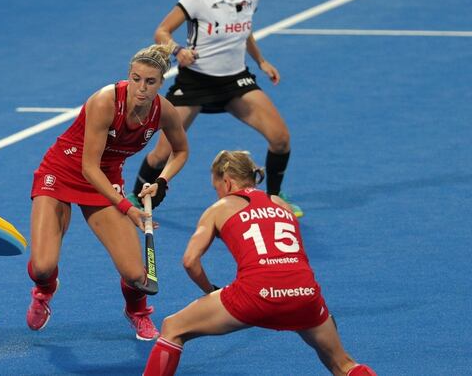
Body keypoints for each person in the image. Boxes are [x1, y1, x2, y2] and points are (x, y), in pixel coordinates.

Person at [142, 150, 376, 376]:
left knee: (173, 327)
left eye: (217, 188)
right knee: (343, 364)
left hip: (254, 295)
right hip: (305, 295)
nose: (218, 194)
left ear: (227, 182)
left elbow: (190, 261)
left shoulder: (219, 209)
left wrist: (210, 290)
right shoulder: (281, 204)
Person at [127, 0, 303, 217]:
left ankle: (273, 196)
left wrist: (261, 61)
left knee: (281, 138)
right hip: (195, 82)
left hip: (235, 81)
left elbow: (244, 31)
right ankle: (136, 197)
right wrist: (178, 51)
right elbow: (162, 31)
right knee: (162, 153)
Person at [26, 43, 189, 340]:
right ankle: (44, 291)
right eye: (136, 79)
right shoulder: (105, 102)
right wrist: (127, 207)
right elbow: (89, 167)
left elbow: (180, 151)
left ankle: (137, 312)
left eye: (150, 81)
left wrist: (162, 181)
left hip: (107, 178)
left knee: (136, 275)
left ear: (161, 83)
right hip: (62, 171)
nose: (141, 88)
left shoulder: (164, 111)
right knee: (42, 267)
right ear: (129, 75)